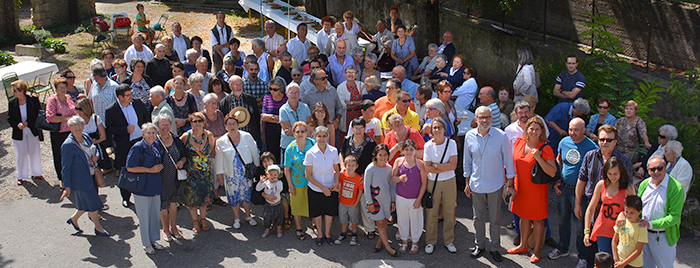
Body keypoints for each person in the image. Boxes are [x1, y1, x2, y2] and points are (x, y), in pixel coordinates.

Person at [563, 125, 633, 268]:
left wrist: (625, 214)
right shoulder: (590, 156)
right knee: (588, 242)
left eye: (609, 139)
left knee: (615, 254)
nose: (605, 142)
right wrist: (577, 203)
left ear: (615, 141)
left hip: (616, 213)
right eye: (602, 139)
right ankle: (585, 261)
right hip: (591, 203)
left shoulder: (623, 161)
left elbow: (629, 193)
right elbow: (581, 179)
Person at [463, 106, 516, 262]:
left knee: (495, 219)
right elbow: (467, 161)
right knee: (477, 218)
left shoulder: (501, 136)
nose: (484, 120)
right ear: (476, 119)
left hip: (495, 183)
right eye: (481, 117)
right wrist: (467, 182)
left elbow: (508, 161)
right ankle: (480, 245)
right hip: (476, 183)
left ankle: (494, 247)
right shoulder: (469, 136)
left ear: (492, 119)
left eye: (487, 117)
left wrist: (510, 184)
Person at [506, 117, 557, 263]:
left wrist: (539, 158)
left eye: (537, 129)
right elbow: (512, 165)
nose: (533, 131)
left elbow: (552, 172)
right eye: (531, 128)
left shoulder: (545, 148)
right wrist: (510, 185)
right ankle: (523, 245)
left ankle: (536, 251)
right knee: (523, 217)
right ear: (526, 129)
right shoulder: (519, 142)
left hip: (537, 190)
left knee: (538, 220)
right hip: (519, 187)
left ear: (542, 131)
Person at [60, 116, 108, 236]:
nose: (78, 127)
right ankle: (98, 227)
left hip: (91, 175)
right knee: (92, 203)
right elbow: (65, 167)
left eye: (80, 124)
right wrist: (66, 186)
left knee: (85, 203)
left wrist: (95, 155)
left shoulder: (86, 136)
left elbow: (94, 148)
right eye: (74, 125)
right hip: (80, 180)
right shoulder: (68, 145)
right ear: (70, 127)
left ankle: (74, 219)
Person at [635, 156, 684, 268]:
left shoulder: (676, 188)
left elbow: (674, 217)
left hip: (662, 237)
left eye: (660, 168)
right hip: (644, 233)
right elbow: (637, 206)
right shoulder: (645, 184)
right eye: (653, 169)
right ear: (648, 170)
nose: (656, 172)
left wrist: (651, 224)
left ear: (665, 168)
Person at [105, 83, 150, 205]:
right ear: (120, 97)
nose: (131, 96)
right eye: (128, 95)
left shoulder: (137, 103)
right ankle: (126, 197)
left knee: (143, 166)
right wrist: (125, 129)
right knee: (125, 170)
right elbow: (109, 129)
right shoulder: (111, 110)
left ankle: (143, 192)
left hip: (140, 141)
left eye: (131, 94)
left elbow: (146, 116)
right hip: (124, 145)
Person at [216, 111, 260, 229]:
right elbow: (219, 160)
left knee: (247, 195)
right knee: (233, 196)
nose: (232, 126)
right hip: (231, 174)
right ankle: (237, 218)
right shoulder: (220, 141)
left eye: (234, 124)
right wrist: (219, 175)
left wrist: (257, 166)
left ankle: (248, 215)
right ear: (225, 127)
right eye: (229, 124)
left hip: (246, 173)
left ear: (238, 125)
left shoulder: (247, 136)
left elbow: (254, 152)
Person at [583, 156, 636, 255]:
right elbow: (590, 209)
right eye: (610, 174)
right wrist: (587, 231)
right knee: (605, 260)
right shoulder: (601, 185)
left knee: (619, 260)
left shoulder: (628, 187)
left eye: (615, 174)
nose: (612, 177)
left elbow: (634, 209)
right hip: (603, 229)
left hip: (621, 230)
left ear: (621, 172)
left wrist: (623, 214)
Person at [421, 118, 459, 254]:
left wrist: (435, 165)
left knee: (449, 212)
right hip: (433, 182)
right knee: (431, 212)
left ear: (444, 129)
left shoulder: (452, 143)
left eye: (439, 127)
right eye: (434, 128)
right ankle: (430, 242)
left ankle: (449, 241)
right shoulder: (428, 146)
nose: (437, 130)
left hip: (449, 181)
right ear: (431, 131)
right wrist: (444, 166)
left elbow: (453, 166)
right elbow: (427, 168)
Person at [126, 123, 165, 254]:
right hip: (142, 188)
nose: (151, 135)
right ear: (143, 135)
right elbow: (130, 167)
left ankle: (154, 240)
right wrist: (149, 170)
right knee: (144, 217)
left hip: (155, 186)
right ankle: (146, 243)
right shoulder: (137, 148)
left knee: (154, 215)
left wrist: (158, 168)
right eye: (149, 133)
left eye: (154, 133)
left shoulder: (156, 145)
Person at [304, 126, 341, 246]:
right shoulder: (310, 153)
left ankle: (328, 234)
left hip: (330, 187)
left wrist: (336, 182)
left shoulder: (334, 151)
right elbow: (308, 175)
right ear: (314, 137)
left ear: (328, 137)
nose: (321, 138)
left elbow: (336, 169)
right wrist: (321, 187)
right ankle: (320, 234)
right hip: (315, 188)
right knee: (317, 212)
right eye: (319, 136)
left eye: (324, 136)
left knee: (329, 212)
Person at [180, 112, 217, 232]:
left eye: (199, 121)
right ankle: (195, 222)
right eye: (194, 121)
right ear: (191, 123)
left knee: (204, 197)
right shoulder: (186, 136)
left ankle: (203, 219)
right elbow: (180, 150)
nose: (197, 123)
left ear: (204, 122)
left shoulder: (209, 135)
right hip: (191, 173)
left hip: (205, 172)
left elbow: (210, 149)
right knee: (192, 198)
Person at [391, 139, 427, 254]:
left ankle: (415, 242)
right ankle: (405, 241)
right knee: (402, 219)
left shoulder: (420, 163)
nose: (409, 152)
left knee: (416, 219)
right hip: (401, 196)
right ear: (402, 151)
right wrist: (399, 179)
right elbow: (393, 177)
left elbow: (424, 183)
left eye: (411, 149)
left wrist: (419, 199)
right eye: (406, 149)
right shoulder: (398, 161)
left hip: (414, 198)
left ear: (415, 151)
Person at [154, 114, 186, 242]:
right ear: (158, 126)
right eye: (163, 124)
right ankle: (165, 229)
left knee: (173, 203)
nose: (165, 127)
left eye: (167, 124)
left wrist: (182, 162)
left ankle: (174, 227)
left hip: (175, 177)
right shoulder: (155, 141)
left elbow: (183, 155)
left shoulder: (176, 139)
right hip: (161, 178)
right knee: (163, 205)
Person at [363, 143, 398, 256]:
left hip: (386, 199)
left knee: (384, 222)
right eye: (380, 155)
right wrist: (369, 202)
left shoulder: (389, 168)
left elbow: (391, 185)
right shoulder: (370, 168)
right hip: (375, 200)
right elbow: (366, 186)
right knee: (380, 222)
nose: (383, 157)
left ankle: (379, 243)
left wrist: (393, 200)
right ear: (376, 155)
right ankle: (388, 247)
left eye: (385, 155)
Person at [284, 121, 315, 239]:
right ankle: (298, 227)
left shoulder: (313, 144)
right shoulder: (290, 149)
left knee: (313, 204)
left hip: (313, 182)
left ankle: (315, 225)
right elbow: (287, 169)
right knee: (297, 206)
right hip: (297, 182)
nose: (300, 134)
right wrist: (290, 185)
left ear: (307, 132)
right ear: (293, 133)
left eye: (303, 131)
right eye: (298, 132)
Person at [9, 80, 44, 185]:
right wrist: (17, 125)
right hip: (19, 132)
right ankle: (21, 175)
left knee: (34, 151)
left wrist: (28, 123)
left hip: (32, 130)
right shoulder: (12, 103)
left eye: (15, 90)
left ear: (22, 91)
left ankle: (36, 172)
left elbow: (38, 114)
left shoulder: (32, 100)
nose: (13, 92)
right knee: (21, 153)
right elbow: (10, 118)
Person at [220, 75, 263, 151]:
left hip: (249, 137)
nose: (239, 87)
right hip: (232, 139)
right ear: (230, 86)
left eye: (240, 84)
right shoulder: (225, 102)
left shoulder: (251, 99)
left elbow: (256, 118)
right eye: (236, 85)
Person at [47, 76, 76, 182]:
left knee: (71, 154)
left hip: (70, 131)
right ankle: (62, 178)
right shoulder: (52, 100)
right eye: (60, 87)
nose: (63, 89)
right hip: (58, 133)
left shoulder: (68, 97)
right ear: (56, 88)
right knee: (59, 156)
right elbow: (50, 117)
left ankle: (72, 176)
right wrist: (66, 118)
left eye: (64, 87)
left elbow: (73, 111)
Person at [301, 69, 343, 140]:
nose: (326, 80)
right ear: (315, 81)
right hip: (315, 132)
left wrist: (337, 120)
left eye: (326, 77)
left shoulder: (332, 91)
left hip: (332, 129)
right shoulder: (307, 95)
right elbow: (304, 113)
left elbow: (339, 107)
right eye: (323, 79)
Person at [202, 93, 227, 206]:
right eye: (211, 103)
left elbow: (225, 129)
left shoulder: (220, 114)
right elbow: (200, 135)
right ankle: (207, 199)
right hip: (208, 150)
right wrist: (215, 139)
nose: (214, 105)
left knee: (217, 174)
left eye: (215, 102)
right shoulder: (201, 117)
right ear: (205, 104)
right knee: (209, 176)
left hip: (221, 150)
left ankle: (216, 197)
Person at [75, 98, 112, 173]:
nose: (78, 111)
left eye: (80, 109)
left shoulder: (95, 118)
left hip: (95, 145)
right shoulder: (76, 121)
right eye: (76, 109)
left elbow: (103, 136)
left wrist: (94, 142)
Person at [333, 155, 363, 245]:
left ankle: (354, 235)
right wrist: (334, 189)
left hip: (352, 203)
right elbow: (340, 188)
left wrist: (356, 203)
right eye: (348, 165)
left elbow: (360, 191)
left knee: (354, 220)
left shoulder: (358, 178)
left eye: (353, 165)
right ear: (345, 165)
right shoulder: (342, 175)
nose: (351, 167)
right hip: (342, 202)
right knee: (343, 219)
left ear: (357, 166)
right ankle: (343, 233)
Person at [611, 195, 647, 268]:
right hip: (619, 261)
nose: (628, 215)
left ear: (639, 212)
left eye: (632, 213)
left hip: (634, 264)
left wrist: (623, 264)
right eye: (626, 212)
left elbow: (638, 250)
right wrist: (616, 259)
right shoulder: (621, 222)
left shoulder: (641, 228)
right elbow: (614, 241)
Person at [279, 83, 311, 161]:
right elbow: (287, 132)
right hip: (288, 145)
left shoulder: (305, 107)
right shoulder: (283, 109)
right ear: (287, 94)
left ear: (299, 94)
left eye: (296, 92)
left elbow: (309, 126)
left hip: (304, 145)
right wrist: (303, 132)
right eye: (291, 92)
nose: (294, 95)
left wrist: (293, 130)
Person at [261, 77, 288, 161]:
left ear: (281, 89)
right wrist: (279, 119)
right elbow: (263, 117)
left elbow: (289, 117)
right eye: (270, 89)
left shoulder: (287, 99)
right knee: (273, 157)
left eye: (275, 89)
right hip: (270, 133)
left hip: (284, 133)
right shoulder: (267, 98)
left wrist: (270, 117)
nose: (272, 91)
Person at [256, 164, 284, 238]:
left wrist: (277, 181)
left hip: (278, 204)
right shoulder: (266, 183)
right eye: (271, 174)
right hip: (268, 204)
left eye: (275, 175)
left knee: (279, 218)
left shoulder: (279, 183)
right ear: (267, 175)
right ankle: (267, 230)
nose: (273, 176)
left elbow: (280, 189)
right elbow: (257, 189)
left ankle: (279, 230)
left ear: (278, 175)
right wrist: (261, 182)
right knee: (267, 218)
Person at [337, 65, 365, 132]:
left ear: (356, 75)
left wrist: (351, 103)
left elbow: (365, 102)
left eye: (353, 73)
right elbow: (343, 105)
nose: (350, 75)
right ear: (345, 74)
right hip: (347, 116)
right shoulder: (340, 87)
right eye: (348, 72)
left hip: (360, 115)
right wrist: (359, 103)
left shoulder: (361, 85)